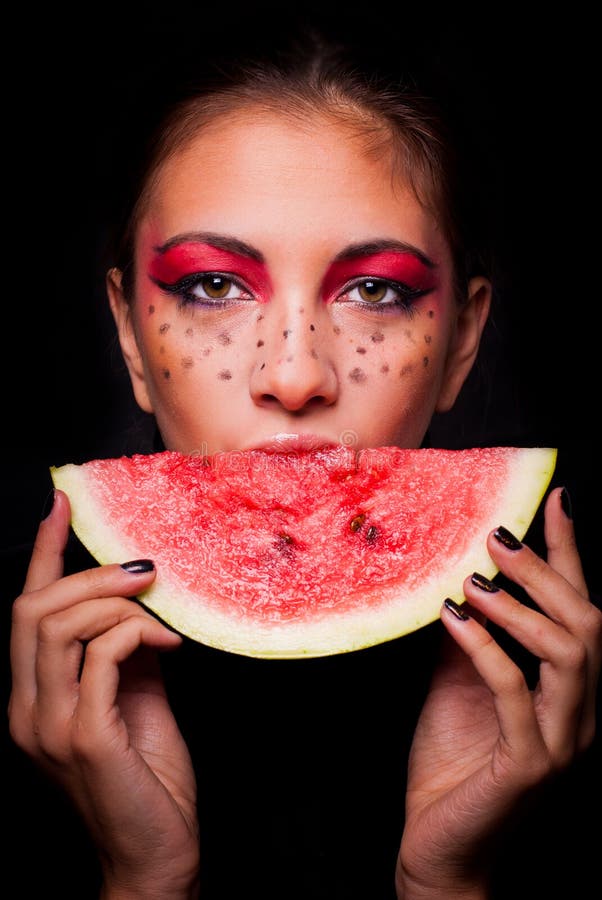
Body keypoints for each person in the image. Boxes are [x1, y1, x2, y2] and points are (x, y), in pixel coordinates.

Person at [6, 22, 601, 900]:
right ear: (131, 333)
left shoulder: (535, 746)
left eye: (375, 291)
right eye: (213, 285)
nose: (293, 375)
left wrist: (449, 882)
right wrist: (141, 878)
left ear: (463, 340)